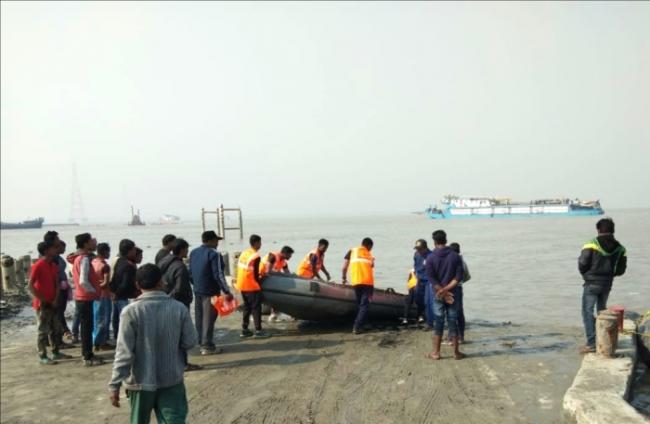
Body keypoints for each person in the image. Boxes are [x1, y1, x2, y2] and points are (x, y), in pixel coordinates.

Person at [109, 264, 198, 423]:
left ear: (137, 285)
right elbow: (190, 341)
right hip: (171, 379)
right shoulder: (179, 308)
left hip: (140, 382)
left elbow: (124, 353)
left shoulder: (130, 312)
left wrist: (115, 385)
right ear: (161, 282)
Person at [578, 218, 627, 354]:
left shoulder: (591, 244)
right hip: (607, 284)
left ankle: (592, 343)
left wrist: (586, 274)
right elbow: (621, 270)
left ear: (599, 230)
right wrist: (610, 274)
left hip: (591, 284)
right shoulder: (620, 248)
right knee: (601, 311)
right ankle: (602, 340)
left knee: (587, 311)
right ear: (613, 230)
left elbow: (582, 263)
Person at [159, 238, 202, 372]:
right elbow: (180, 289)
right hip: (179, 304)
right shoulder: (180, 266)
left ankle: (171, 361)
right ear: (182, 249)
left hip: (164, 300)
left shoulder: (163, 261)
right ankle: (183, 363)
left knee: (171, 335)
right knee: (181, 335)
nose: (187, 252)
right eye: (186, 249)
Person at [189, 230, 234, 354]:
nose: (217, 243)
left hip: (198, 290)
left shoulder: (193, 252)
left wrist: (196, 285)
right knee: (208, 319)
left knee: (200, 318)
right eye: (216, 240)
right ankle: (207, 346)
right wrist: (227, 291)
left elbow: (190, 273)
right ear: (209, 240)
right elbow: (219, 274)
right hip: (211, 292)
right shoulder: (214, 254)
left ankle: (201, 341)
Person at [28, 240, 71, 364]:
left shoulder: (53, 265)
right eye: (53, 248)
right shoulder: (38, 265)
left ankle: (56, 352)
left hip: (53, 302)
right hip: (42, 304)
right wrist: (42, 299)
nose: (55, 250)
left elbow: (56, 284)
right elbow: (30, 285)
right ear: (46, 251)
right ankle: (42, 356)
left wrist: (56, 299)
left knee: (55, 329)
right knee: (43, 330)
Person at [425, 230, 465, 360]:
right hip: (454, 294)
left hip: (438, 294)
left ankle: (436, 353)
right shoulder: (455, 256)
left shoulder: (430, 258)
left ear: (434, 241)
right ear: (446, 239)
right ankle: (456, 353)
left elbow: (431, 278)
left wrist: (441, 290)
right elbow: (458, 277)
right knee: (453, 321)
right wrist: (447, 289)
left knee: (439, 321)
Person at [68, 233, 104, 366]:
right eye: (90, 241)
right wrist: (94, 292)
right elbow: (83, 280)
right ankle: (87, 355)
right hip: (85, 297)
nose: (92, 243)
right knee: (87, 327)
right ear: (85, 244)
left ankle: (87, 353)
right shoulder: (83, 259)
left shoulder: (78, 258)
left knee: (86, 326)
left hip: (81, 296)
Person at [236, 234, 270, 338]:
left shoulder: (244, 253)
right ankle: (258, 330)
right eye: (260, 242)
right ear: (256, 243)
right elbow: (255, 273)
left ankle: (245, 329)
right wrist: (260, 282)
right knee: (256, 308)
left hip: (241, 284)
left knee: (247, 307)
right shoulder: (256, 256)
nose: (261, 244)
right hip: (251, 285)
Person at [342, 238, 375, 334]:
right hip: (368, 283)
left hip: (356, 282)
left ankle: (364, 324)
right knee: (364, 305)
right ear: (369, 246)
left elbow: (344, 267)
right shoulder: (370, 255)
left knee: (360, 304)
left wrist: (344, 278)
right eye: (371, 248)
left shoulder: (352, 250)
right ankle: (357, 326)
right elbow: (372, 265)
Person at [111, 239, 139, 341]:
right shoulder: (128, 265)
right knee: (125, 320)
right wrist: (117, 294)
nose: (135, 252)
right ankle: (124, 338)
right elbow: (125, 283)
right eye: (134, 250)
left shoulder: (118, 261)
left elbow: (113, 278)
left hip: (117, 294)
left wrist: (113, 292)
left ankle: (117, 336)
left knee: (117, 318)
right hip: (124, 296)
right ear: (130, 251)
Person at [259, 246, 294, 322]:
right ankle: (269, 314)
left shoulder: (284, 262)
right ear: (284, 253)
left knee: (278, 294)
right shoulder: (273, 256)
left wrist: (294, 277)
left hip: (268, 279)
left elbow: (287, 273)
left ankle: (274, 314)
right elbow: (268, 271)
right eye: (289, 255)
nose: (290, 257)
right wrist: (280, 274)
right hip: (260, 277)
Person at [447, 243, 471, 344]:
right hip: (458, 288)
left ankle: (452, 337)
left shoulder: (452, 261)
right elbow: (467, 276)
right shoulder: (462, 261)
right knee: (459, 312)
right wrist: (460, 282)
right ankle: (460, 336)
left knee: (451, 313)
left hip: (450, 288)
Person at [92, 243, 113, 351]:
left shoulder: (93, 262)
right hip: (104, 295)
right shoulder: (105, 266)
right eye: (108, 251)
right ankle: (101, 342)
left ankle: (95, 341)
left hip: (94, 295)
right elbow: (106, 283)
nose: (109, 253)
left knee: (96, 318)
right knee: (104, 319)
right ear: (104, 252)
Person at [413, 239, 432, 327]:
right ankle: (420, 317)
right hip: (419, 280)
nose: (418, 251)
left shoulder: (431, 255)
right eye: (417, 249)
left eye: (420, 249)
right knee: (417, 299)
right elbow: (415, 265)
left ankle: (429, 322)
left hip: (429, 281)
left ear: (425, 248)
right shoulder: (416, 254)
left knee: (427, 301)